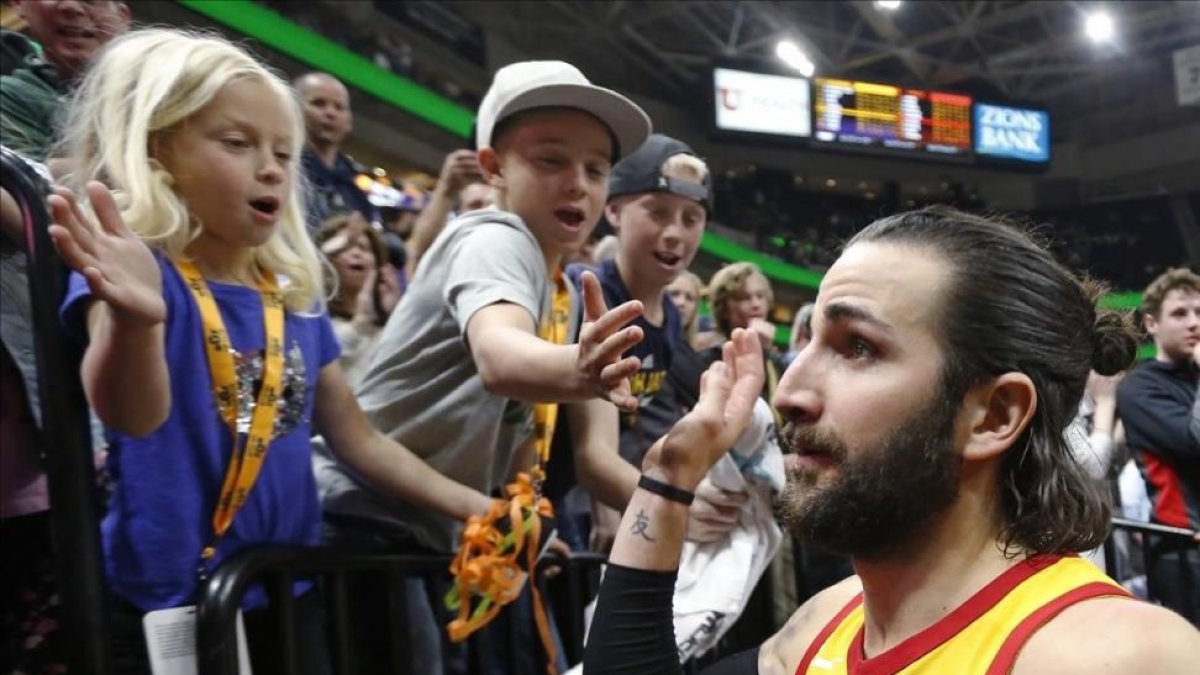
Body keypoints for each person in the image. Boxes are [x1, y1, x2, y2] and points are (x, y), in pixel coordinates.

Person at [47, 29, 499, 674]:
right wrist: (138, 321)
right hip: (169, 605)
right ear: (157, 150)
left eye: (285, 154)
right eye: (237, 143)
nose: (271, 168)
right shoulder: (134, 269)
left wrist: (480, 508)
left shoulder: (291, 296)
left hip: (291, 587)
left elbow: (357, 440)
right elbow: (131, 416)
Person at [583, 206, 1200, 674]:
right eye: (812, 342)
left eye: (858, 348)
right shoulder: (828, 621)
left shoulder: (1116, 655)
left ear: (993, 415)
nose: (791, 390)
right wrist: (667, 477)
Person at [313, 59, 652, 673]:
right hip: (363, 520)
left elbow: (542, 434)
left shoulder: (564, 290)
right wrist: (578, 368)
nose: (578, 183)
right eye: (551, 160)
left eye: (595, 169)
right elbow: (501, 358)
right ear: (494, 168)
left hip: (430, 530)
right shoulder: (495, 238)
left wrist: (522, 519)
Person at [1116, 267, 1200, 622]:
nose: (1194, 323)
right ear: (1152, 324)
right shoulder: (1139, 388)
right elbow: (1195, 442)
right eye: (1180, 314)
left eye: (1199, 312)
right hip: (1183, 550)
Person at [0, 0, 130, 161]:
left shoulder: (159, 80)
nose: (71, 7)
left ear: (123, 17)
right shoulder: (12, 99)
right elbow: (32, 177)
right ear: (19, 4)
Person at [313, 212, 401, 388]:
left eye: (364, 248)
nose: (356, 253)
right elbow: (316, 361)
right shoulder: (312, 315)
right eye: (346, 247)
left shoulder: (385, 325)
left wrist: (396, 317)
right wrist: (360, 325)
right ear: (324, 260)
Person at [294, 71, 375, 229]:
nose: (330, 113)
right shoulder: (284, 167)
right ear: (293, 108)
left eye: (339, 107)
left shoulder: (354, 185)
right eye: (318, 103)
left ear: (349, 122)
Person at [403, 148, 485, 278]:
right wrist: (445, 190)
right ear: (462, 211)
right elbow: (418, 251)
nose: (483, 214)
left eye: (489, 206)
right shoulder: (449, 253)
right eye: (476, 206)